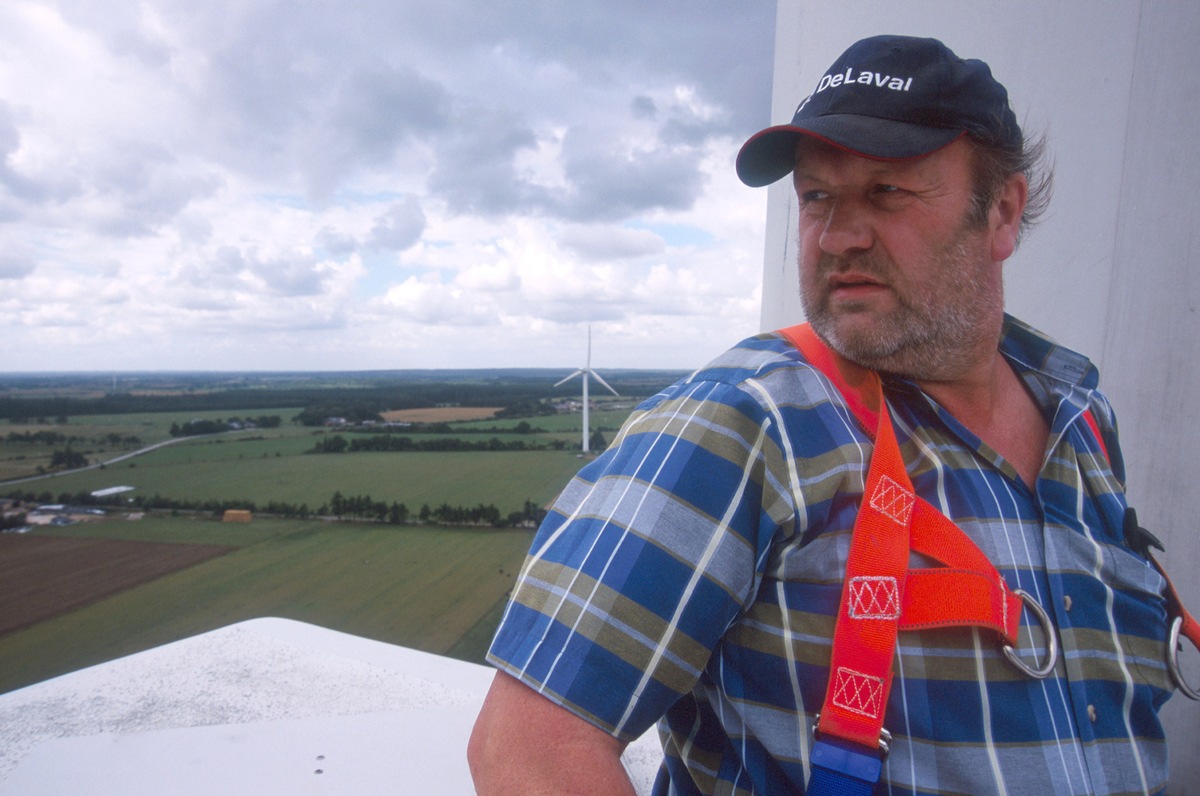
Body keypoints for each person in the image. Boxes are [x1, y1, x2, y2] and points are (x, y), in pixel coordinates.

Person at [468, 35, 1179, 795]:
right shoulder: (747, 421)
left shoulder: (1080, 416)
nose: (839, 236)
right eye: (817, 197)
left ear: (1001, 210)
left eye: (887, 192)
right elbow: (528, 753)